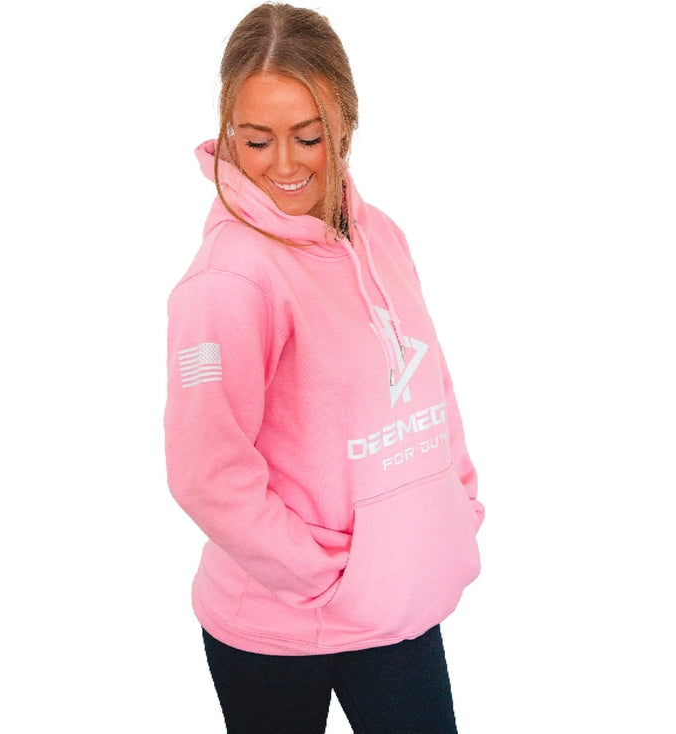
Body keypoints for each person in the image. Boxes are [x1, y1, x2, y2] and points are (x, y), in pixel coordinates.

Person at [164, 3, 484, 731]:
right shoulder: (229, 281)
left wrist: (456, 508)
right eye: (256, 139)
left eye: (308, 136)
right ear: (228, 132)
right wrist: (327, 577)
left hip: (396, 602)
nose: (283, 164)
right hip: (278, 627)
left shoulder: (380, 235)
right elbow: (205, 471)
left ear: (346, 124)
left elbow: (429, 382)